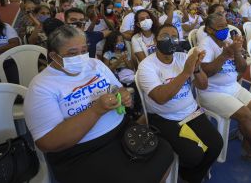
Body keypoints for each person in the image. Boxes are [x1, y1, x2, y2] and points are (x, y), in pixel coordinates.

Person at [23, 25, 173, 183]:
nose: (81, 57)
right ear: (54, 56)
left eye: (83, 50)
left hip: (122, 132)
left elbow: (117, 88)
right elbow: (47, 142)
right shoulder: (41, 86)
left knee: (164, 151)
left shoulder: (95, 65)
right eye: (72, 53)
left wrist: (122, 94)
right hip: (82, 152)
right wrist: (95, 111)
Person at [136, 24, 223, 183]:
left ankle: (191, 177)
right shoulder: (146, 66)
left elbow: (203, 85)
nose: (170, 39)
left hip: (192, 111)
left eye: (174, 36)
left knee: (216, 144)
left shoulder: (183, 58)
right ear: (155, 40)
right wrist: (185, 72)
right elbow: (160, 98)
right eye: (165, 36)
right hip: (165, 117)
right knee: (194, 155)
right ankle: (191, 173)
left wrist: (196, 69)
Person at [198, 12, 251, 170]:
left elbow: (242, 68)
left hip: (232, 87)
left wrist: (236, 52)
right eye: (220, 27)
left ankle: (248, 147)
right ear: (209, 29)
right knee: (246, 115)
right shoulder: (205, 45)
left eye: (226, 26)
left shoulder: (228, 41)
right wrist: (224, 55)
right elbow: (205, 72)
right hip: (212, 92)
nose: (225, 30)